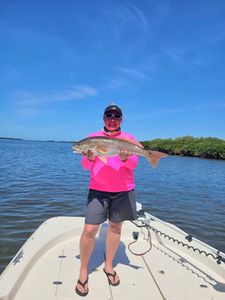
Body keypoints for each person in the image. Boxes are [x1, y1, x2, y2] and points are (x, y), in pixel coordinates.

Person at [75, 104, 139, 296]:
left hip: (123, 191)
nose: (113, 119)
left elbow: (134, 165)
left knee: (115, 228)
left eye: (116, 116)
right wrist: (89, 156)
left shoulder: (129, 139)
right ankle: (83, 270)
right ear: (103, 118)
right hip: (98, 190)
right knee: (89, 229)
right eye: (109, 115)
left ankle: (109, 266)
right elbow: (86, 166)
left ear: (121, 119)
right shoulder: (93, 138)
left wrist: (126, 159)